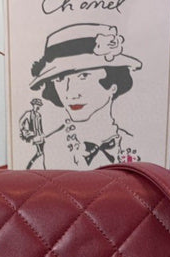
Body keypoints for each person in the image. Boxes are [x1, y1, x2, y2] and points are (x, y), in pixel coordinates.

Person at [20, 23, 143, 169]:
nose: (70, 93)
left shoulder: (135, 145)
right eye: (60, 79)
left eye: (83, 76)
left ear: (112, 84)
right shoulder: (49, 152)